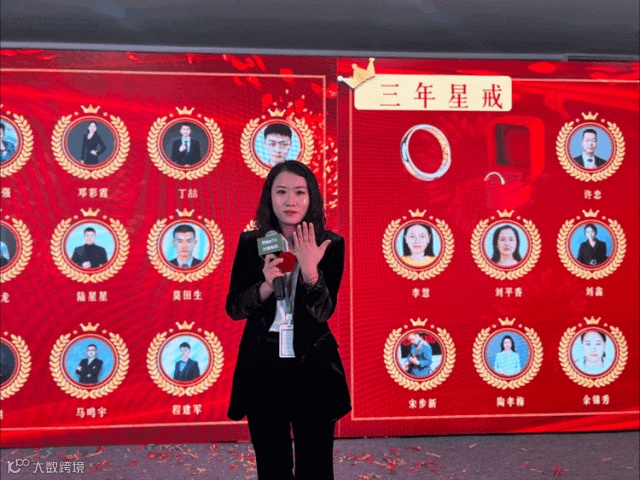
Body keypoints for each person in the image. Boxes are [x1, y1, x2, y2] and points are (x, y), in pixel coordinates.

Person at [226, 161, 350, 479]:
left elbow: (322, 312)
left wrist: (310, 273)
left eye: (299, 192)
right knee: (272, 465)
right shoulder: (251, 243)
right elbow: (235, 308)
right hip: (263, 369)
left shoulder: (329, 244)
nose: (290, 201)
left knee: (316, 466)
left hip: (313, 368)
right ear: (270, 197)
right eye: (281, 192)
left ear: (311, 198)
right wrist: (266, 285)